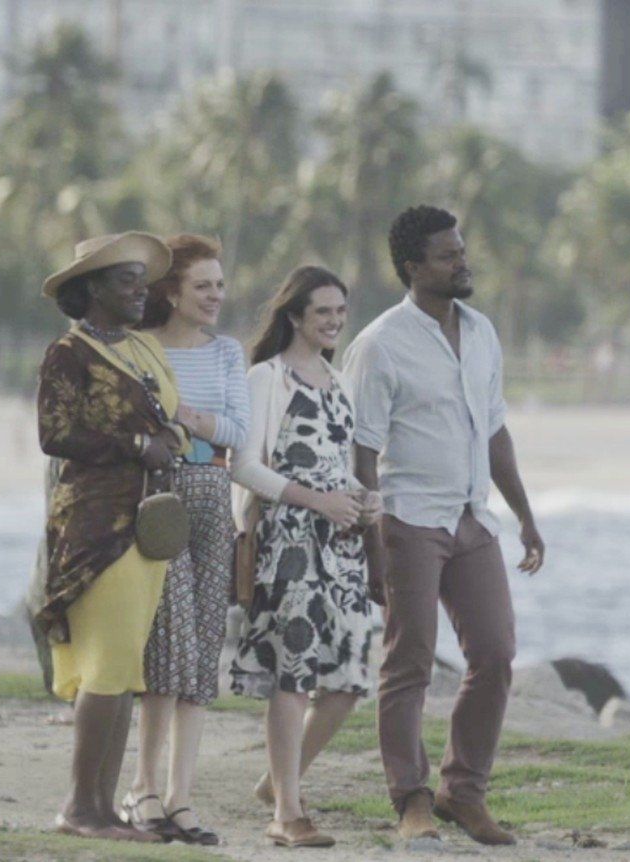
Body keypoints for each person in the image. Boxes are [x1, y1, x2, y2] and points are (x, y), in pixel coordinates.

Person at [343, 206, 544, 846]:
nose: (462, 263)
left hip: (471, 518)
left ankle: (464, 792)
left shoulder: (482, 333)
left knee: (495, 652)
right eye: (447, 256)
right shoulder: (379, 344)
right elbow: (361, 453)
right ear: (413, 268)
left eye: (461, 251)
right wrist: (371, 544)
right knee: (409, 664)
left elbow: (495, 432)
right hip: (407, 520)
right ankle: (411, 800)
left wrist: (524, 515)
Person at [36, 232, 187, 842]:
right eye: (126, 280)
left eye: (142, 281)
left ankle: (104, 807)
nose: (140, 291)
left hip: (148, 521)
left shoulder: (144, 348)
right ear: (92, 287)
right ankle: (80, 807)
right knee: (105, 667)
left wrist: (169, 438)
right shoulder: (68, 353)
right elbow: (54, 433)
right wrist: (135, 444)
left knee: (124, 668)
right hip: (98, 525)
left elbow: (169, 417)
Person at [229, 265, 381, 849]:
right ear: (295, 316)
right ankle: (287, 813)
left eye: (341, 311)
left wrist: (364, 499)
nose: (335, 321)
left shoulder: (339, 382)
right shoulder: (267, 378)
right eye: (323, 312)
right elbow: (245, 466)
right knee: (291, 677)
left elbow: (336, 464)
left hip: (341, 547)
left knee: (349, 679)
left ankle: (278, 783)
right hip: (289, 544)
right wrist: (318, 500)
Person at [122, 235, 248, 845]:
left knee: (201, 651)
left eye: (219, 285)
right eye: (203, 285)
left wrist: (191, 419)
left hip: (214, 497)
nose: (215, 295)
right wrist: (200, 425)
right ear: (171, 292)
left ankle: (180, 798)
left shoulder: (227, 352)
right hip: (161, 497)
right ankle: (142, 789)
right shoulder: (140, 347)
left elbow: (239, 431)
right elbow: (139, 423)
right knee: (167, 645)